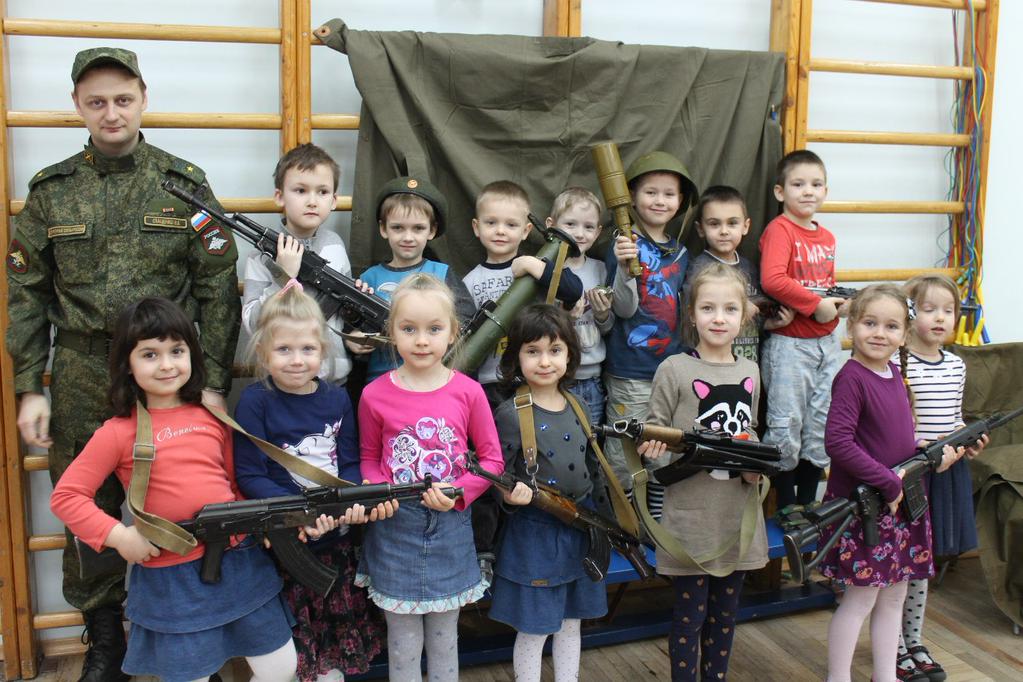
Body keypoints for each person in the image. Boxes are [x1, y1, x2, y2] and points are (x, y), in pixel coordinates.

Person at [5, 47, 240, 680]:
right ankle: (105, 644)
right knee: (95, 504)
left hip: (170, 372)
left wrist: (213, 382)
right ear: (78, 106)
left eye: (123, 98)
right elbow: (25, 293)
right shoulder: (52, 191)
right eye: (96, 101)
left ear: (143, 98)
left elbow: (219, 285)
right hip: (83, 371)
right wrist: (31, 386)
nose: (111, 112)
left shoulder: (181, 181)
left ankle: (196, 628)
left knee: (186, 497)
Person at [49, 297, 296, 682]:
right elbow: (66, 497)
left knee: (281, 668)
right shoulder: (117, 432)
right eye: (150, 354)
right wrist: (118, 537)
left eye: (176, 351)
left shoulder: (212, 415)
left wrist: (261, 526)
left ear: (192, 356)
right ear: (126, 366)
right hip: (171, 577)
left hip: (239, 564)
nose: (166, 365)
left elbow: (234, 483)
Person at [234, 282, 393, 682]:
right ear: (263, 353)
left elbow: (351, 462)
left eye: (307, 349)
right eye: (283, 350)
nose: (296, 360)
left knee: (332, 657)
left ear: (323, 352)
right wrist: (299, 513)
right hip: (285, 545)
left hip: (335, 542)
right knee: (287, 658)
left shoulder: (337, 399)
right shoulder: (255, 401)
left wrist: (348, 504)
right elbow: (250, 474)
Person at [356, 273, 504, 682]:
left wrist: (459, 492)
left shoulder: (468, 392)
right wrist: (374, 489)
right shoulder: (374, 394)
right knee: (402, 645)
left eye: (434, 329)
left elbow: (492, 461)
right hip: (394, 530)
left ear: (453, 333)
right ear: (392, 333)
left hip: (451, 529)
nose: (421, 340)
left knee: (444, 641)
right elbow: (369, 458)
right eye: (409, 329)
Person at [819, 284, 968, 682]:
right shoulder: (852, 377)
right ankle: (839, 677)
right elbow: (838, 443)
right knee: (861, 599)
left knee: (895, 595)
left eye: (890, 326)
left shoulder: (895, 373)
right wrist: (887, 480)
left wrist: (924, 449)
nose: (880, 333)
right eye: (870, 323)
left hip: (900, 507)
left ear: (905, 333)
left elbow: (895, 437)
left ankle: (885, 676)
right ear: (851, 326)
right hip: (867, 510)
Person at [637, 263, 769, 681]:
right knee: (689, 618)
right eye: (708, 308)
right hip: (691, 520)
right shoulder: (674, 370)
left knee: (725, 618)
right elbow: (651, 440)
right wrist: (656, 453)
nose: (718, 318)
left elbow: (751, 436)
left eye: (730, 309)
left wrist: (753, 471)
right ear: (691, 314)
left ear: (745, 315)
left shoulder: (750, 371)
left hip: (737, 518)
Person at [487, 303, 610, 682]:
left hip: (581, 529)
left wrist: (609, 524)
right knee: (535, 628)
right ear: (516, 356)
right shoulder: (510, 414)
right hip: (535, 534)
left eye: (555, 350)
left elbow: (593, 466)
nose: (545, 361)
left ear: (571, 354)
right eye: (533, 351)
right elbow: (496, 475)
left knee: (571, 623)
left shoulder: (580, 404)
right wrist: (508, 498)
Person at [895, 275, 987, 682]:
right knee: (902, 560)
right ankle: (894, 646)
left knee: (923, 562)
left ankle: (914, 640)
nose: (939, 318)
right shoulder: (900, 364)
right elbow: (897, 424)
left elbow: (954, 416)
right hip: (915, 472)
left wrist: (969, 440)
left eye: (947, 311)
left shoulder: (956, 364)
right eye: (929, 309)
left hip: (949, 469)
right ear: (911, 314)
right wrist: (925, 448)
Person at [603, 151, 698, 518]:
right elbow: (623, 309)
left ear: (681, 202)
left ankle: (655, 526)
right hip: (631, 372)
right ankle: (625, 528)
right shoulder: (622, 244)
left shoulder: (681, 251)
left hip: (671, 370)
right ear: (632, 197)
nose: (660, 201)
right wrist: (625, 267)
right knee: (625, 455)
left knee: (664, 455)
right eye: (651, 192)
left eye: (669, 194)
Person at [759, 149, 845, 509]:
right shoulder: (780, 229)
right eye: (798, 184)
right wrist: (815, 306)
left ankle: (810, 504)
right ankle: (786, 506)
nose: (808, 191)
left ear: (825, 190)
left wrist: (838, 303)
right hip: (791, 347)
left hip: (827, 343)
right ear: (781, 192)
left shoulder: (826, 237)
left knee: (820, 424)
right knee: (786, 423)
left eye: (816, 184)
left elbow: (824, 283)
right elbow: (773, 279)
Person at [462, 180, 584, 408]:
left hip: (536, 377)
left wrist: (532, 266)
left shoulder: (537, 268)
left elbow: (573, 289)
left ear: (526, 230)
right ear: (477, 227)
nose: (500, 231)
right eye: (491, 222)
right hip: (490, 384)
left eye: (510, 224)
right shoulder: (469, 281)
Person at [241, 143, 356, 384]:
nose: (312, 201)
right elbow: (253, 324)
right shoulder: (261, 255)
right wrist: (283, 277)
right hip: (281, 383)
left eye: (322, 192)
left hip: (333, 383)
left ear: (334, 200)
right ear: (279, 197)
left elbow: (343, 312)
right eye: (301, 190)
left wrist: (356, 306)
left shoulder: (335, 244)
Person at [353, 175, 474, 382]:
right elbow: (352, 325)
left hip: (433, 378)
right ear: (383, 229)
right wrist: (353, 340)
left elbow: (465, 318)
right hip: (381, 381)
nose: (408, 237)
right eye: (398, 227)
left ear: (432, 230)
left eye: (418, 228)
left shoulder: (442, 273)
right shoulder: (368, 278)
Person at [684, 185, 794, 363]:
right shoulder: (699, 269)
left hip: (747, 363)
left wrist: (769, 324)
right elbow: (691, 318)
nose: (724, 231)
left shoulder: (748, 267)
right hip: (711, 364)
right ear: (700, 228)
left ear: (745, 226)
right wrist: (741, 307)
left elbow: (754, 316)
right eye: (714, 224)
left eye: (732, 223)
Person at [546, 187, 614, 426]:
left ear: (598, 232)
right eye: (570, 224)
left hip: (592, 378)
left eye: (588, 227)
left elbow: (607, 329)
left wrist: (603, 314)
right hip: (553, 379)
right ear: (551, 225)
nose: (579, 234)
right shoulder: (545, 271)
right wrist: (566, 317)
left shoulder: (601, 269)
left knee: (592, 442)